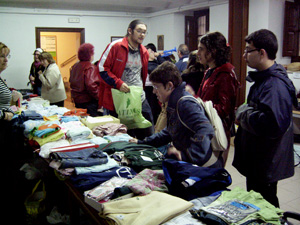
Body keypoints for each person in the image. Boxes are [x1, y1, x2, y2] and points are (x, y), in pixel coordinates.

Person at [234, 29, 298, 208]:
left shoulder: (274, 85)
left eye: (248, 50)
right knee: (257, 203)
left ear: (262, 53)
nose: (244, 55)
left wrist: (242, 113)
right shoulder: (264, 79)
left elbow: (272, 124)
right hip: (259, 160)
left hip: (266, 161)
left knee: (266, 206)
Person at [131, 61, 223, 168]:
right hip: (196, 164)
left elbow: (206, 129)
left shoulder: (185, 103)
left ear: (169, 85)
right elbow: (169, 132)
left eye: (156, 87)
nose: (154, 92)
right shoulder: (175, 101)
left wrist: (186, 155)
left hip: (204, 168)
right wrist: (142, 142)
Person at [97, 19, 154, 140]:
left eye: (144, 32)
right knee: (122, 136)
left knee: (148, 134)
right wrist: (118, 83)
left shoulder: (144, 51)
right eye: (139, 31)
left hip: (139, 98)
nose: (142, 34)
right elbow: (102, 68)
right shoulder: (116, 46)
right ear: (130, 31)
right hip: (118, 100)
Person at [195, 31, 239, 164]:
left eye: (201, 49)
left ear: (213, 51)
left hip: (216, 131)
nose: (198, 53)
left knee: (213, 170)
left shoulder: (226, 74)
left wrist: (200, 106)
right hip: (204, 128)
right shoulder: (209, 71)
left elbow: (224, 109)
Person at [69, 43, 100, 116]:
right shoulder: (90, 67)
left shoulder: (75, 66)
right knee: (91, 122)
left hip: (77, 100)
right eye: (93, 54)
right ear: (89, 55)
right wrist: (99, 97)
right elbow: (91, 85)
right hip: (88, 101)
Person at [145, 43, 166, 124]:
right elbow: (164, 68)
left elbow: (169, 65)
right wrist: (159, 57)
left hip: (155, 89)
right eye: (151, 52)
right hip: (149, 90)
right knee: (153, 109)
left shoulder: (155, 62)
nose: (154, 53)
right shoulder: (149, 65)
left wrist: (162, 56)